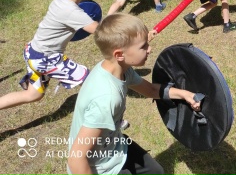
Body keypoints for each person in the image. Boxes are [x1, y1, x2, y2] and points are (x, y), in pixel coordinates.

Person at [67, 13, 201, 175]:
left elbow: (151, 90)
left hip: (116, 147)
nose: (150, 49)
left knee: (156, 172)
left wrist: (184, 94)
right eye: (143, 46)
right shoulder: (106, 99)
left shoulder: (118, 69)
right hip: (101, 168)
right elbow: (76, 158)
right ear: (119, 55)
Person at [0, 0, 102, 110]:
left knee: (33, 95)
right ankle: (109, 116)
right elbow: (101, 31)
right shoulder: (72, 11)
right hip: (47, 58)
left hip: (33, 52)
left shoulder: (60, 0)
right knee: (91, 80)